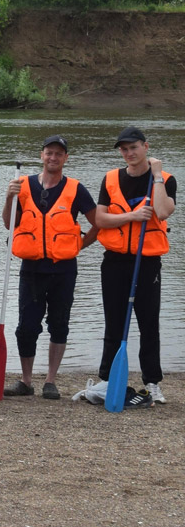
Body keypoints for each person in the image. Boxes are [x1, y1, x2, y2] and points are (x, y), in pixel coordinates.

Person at [1, 135, 98, 401]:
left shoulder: (76, 189)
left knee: (59, 323)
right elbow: (9, 223)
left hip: (64, 269)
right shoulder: (22, 185)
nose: (53, 158)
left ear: (66, 158)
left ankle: (51, 381)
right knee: (27, 326)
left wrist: (78, 246)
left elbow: (97, 223)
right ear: (41, 155)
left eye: (58, 154)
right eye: (49, 153)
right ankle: (26, 380)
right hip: (31, 268)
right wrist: (10, 198)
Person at [94, 126, 175, 404]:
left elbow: (163, 212)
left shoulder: (165, 179)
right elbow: (101, 220)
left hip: (148, 262)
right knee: (114, 323)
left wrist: (156, 177)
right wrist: (132, 216)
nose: (129, 153)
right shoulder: (110, 178)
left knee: (148, 323)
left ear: (146, 147)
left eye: (134, 147)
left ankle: (152, 383)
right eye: (124, 149)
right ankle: (107, 380)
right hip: (115, 261)